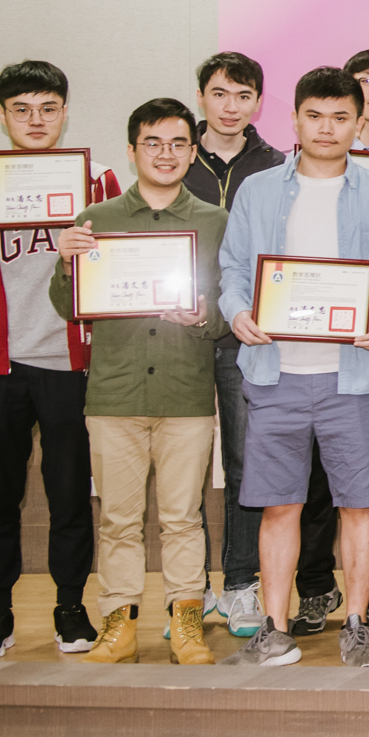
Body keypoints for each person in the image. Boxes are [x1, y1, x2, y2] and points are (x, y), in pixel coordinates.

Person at [217, 67, 369, 668]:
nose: (327, 128)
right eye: (315, 116)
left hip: (352, 375)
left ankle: (356, 624)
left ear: (358, 122)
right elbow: (233, 270)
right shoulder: (257, 191)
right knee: (279, 505)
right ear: (295, 120)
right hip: (274, 372)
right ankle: (274, 631)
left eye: (340, 117)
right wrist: (237, 313)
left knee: (359, 503)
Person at [0, 60, 121, 661]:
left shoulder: (96, 183)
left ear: (65, 112)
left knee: (70, 496)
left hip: (69, 365)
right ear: (3, 116)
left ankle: (70, 609)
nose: (36, 119)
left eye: (48, 108)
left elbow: (117, 270)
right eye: (21, 109)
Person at [47, 99, 226, 664]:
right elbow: (68, 306)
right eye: (153, 143)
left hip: (186, 393)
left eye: (178, 144)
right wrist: (66, 263)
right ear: (132, 151)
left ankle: (187, 625)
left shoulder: (216, 222)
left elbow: (233, 309)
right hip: (114, 395)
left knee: (183, 519)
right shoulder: (96, 219)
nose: (165, 154)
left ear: (192, 153)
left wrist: (205, 317)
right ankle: (118, 627)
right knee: (118, 520)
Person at [287, 47, 369, 640]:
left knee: (368, 474)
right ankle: (315, 585)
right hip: (297, 343)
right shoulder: (287, 177)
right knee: (310, 476)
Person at [182, 51, 281, 640]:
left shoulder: (278, 165)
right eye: (220, 93)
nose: (231, 106)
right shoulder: (175, 157)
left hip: (250, 338)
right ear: (202, 97)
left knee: (247, 462)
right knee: (187, 466)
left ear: (258, 103)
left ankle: (242, 584)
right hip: (182, 338)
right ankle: (190, 590)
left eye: (243, 96)